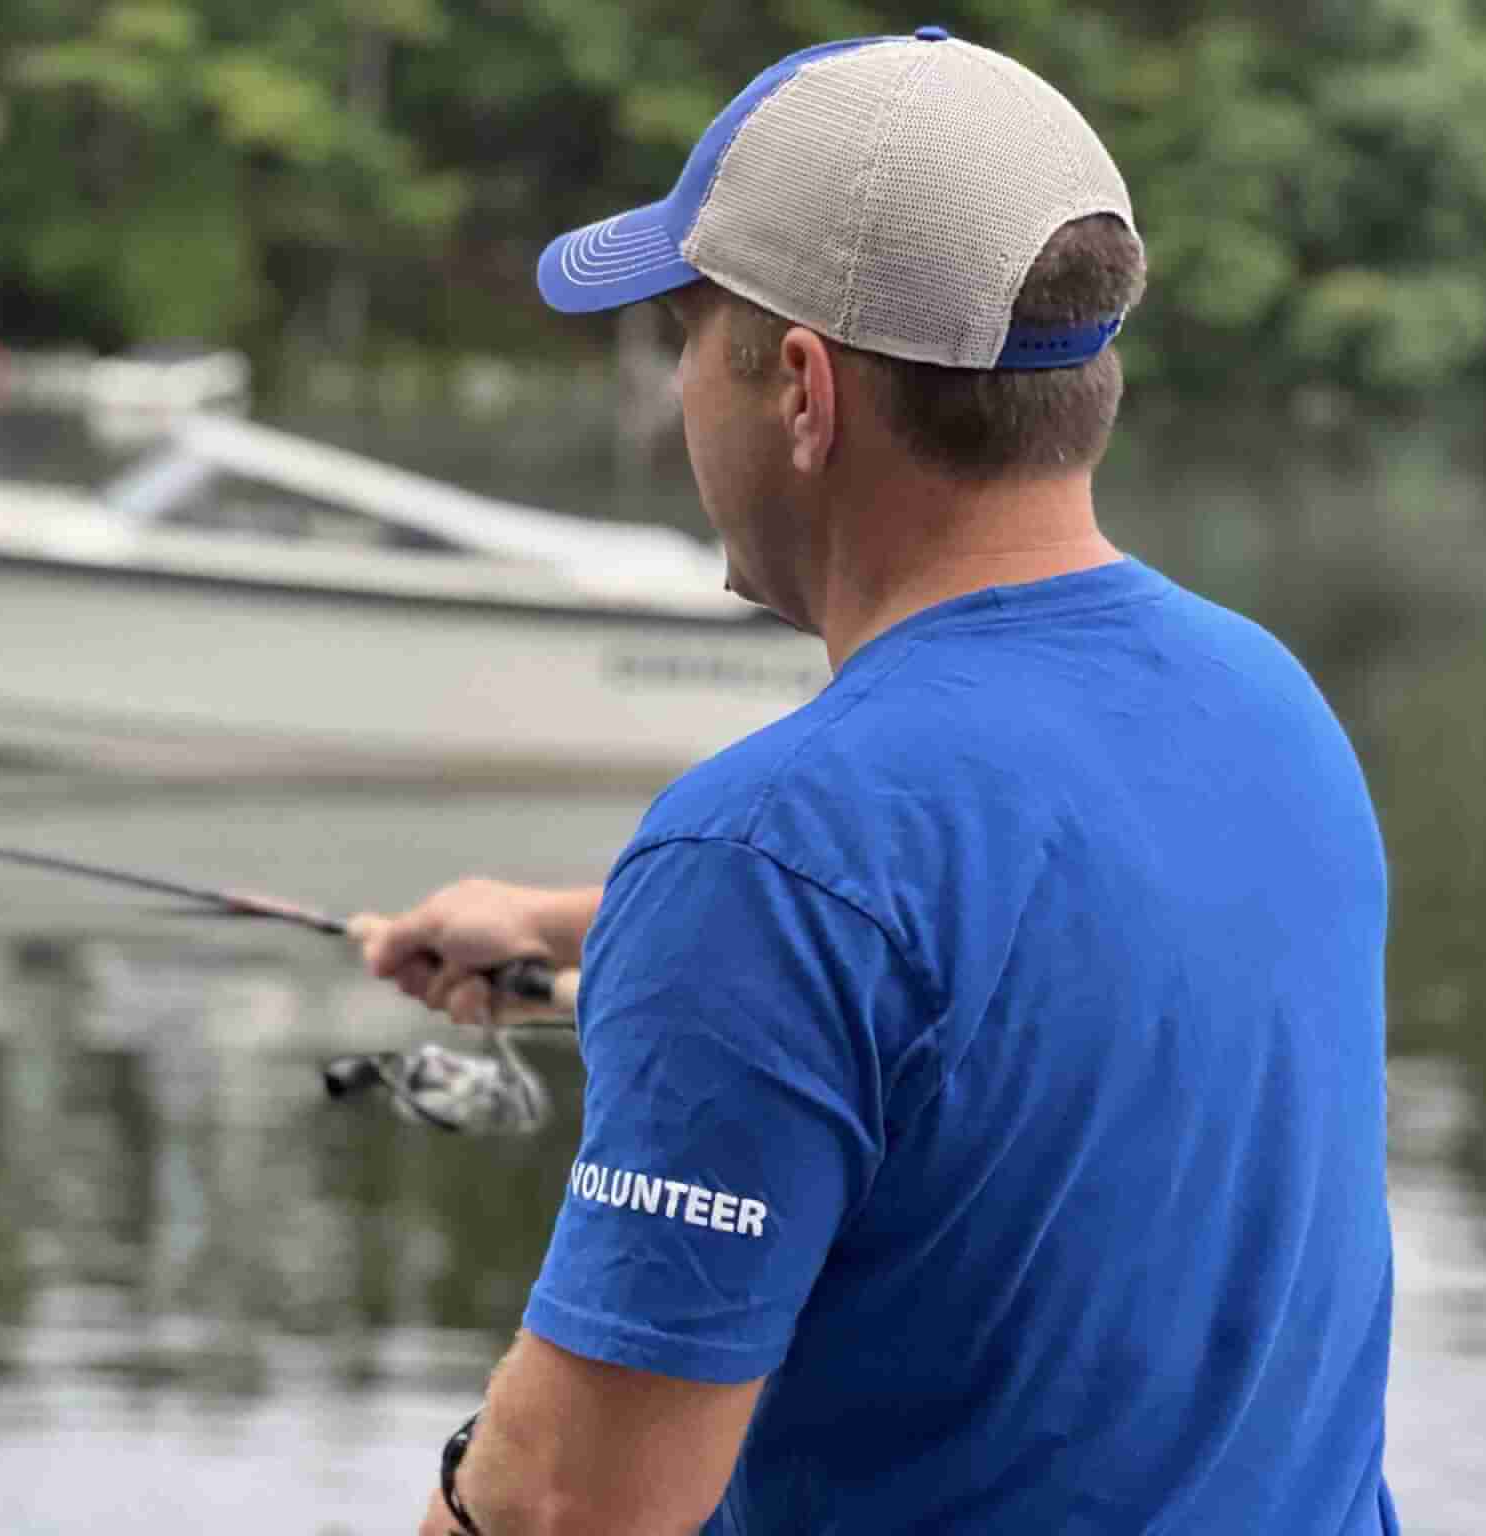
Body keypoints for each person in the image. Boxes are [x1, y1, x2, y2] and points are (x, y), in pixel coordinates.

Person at [364, 28, 1400, 1536]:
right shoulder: (1265, 702)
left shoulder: (766, 860)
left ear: (801, 388)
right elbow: (1010, 928)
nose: (679, 395)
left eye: (687, 334)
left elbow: (568, 1507)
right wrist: (589, 926)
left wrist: (482, 1482)